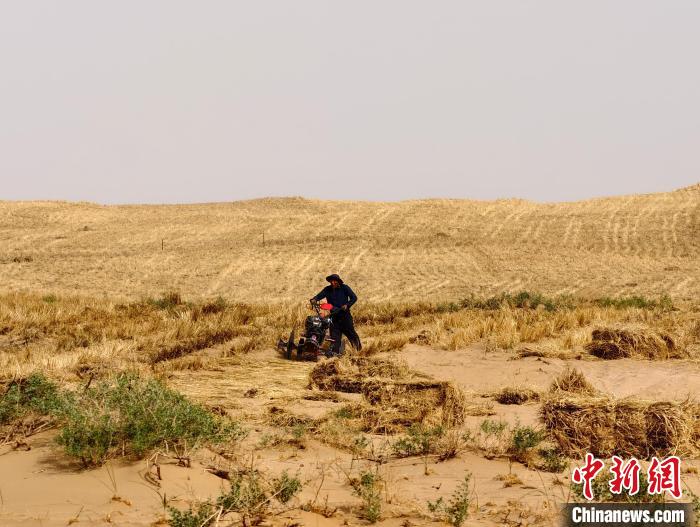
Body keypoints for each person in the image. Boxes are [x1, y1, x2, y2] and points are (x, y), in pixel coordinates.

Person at [310, 274, 362, 356]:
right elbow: (319, 296)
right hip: (334, 318)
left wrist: (347, 305)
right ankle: (335, 356)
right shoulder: (327, 289)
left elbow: (354, 298)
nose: (333, 282)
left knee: (352, 335)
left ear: (338, 281)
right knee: (334, 339)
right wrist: (314, 299)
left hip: (345, 316)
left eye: (334, 281)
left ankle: (359, 352)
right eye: (331, 281)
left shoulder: (345, 288)